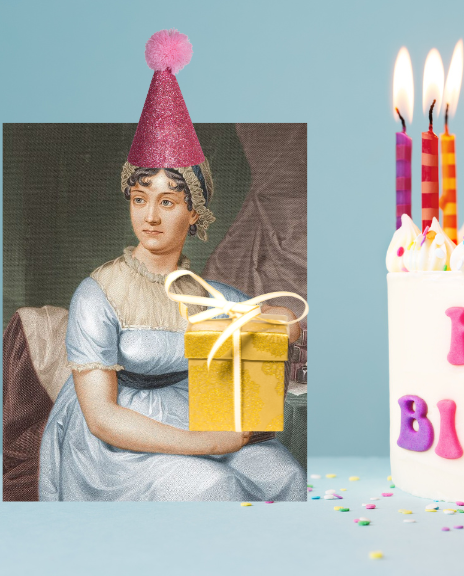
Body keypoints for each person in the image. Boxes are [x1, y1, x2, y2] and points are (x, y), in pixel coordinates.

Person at [38, 29, 305, 501]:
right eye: (140, 199)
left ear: (195, 212)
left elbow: (281, 321)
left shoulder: (208, 294)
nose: (150, 216)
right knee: (212, 486)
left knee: (285, 475)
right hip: (117, 445)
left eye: (167, 201)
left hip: (199, 419)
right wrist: (203, 445)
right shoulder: (97, 293)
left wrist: (283, 325)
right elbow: (103, 415)